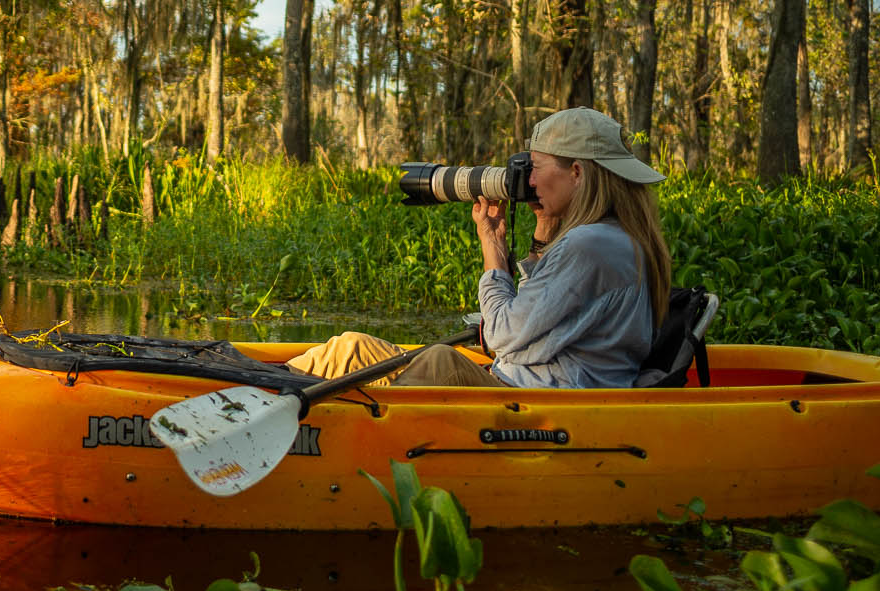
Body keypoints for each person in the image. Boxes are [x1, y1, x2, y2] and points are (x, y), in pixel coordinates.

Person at [287, 107, 673, 388]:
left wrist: (493, 260)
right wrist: (519, 237)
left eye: (535, 167)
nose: (528, 181)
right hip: (516, 386)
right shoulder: (609, 238)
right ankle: (257, 393)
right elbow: (529, 332)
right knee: (351, 348)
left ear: (576, 173)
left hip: (543, 410)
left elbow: (502, 336)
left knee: (440, 362)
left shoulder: (592, 244)